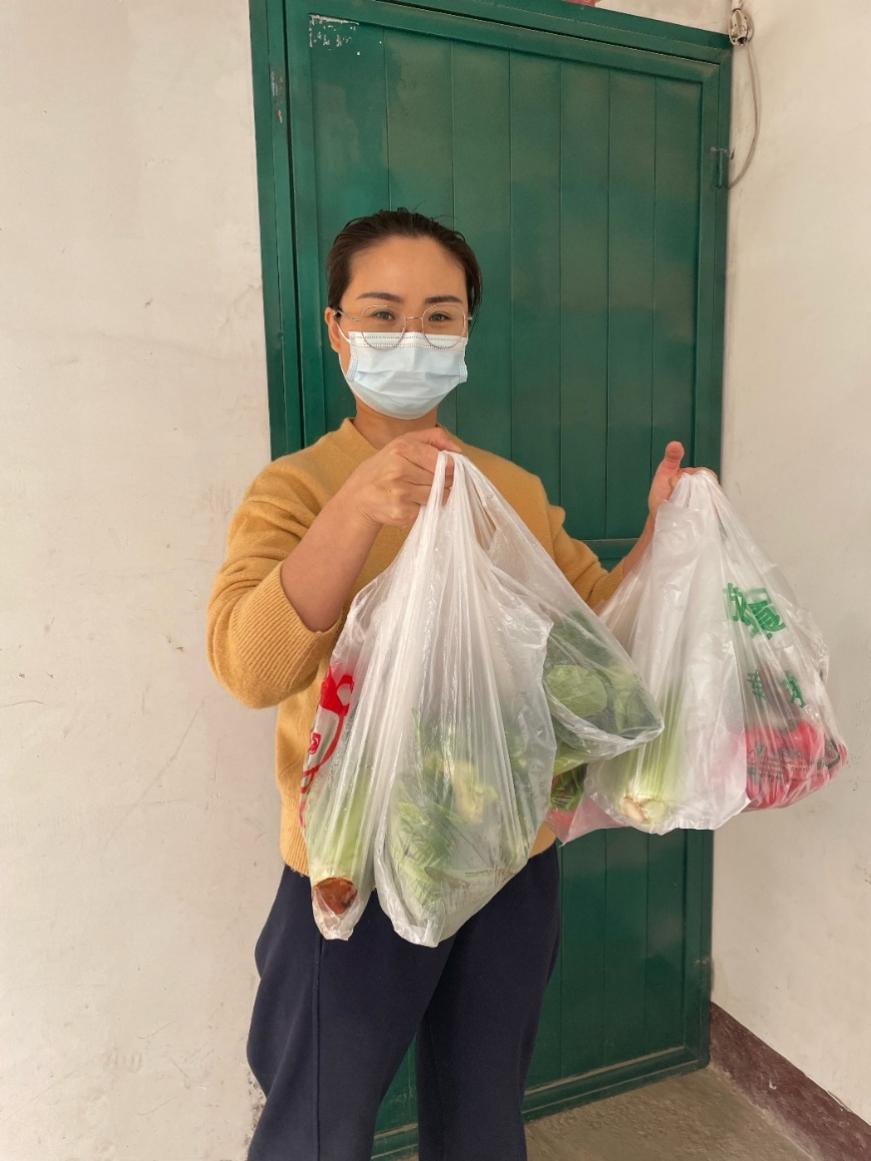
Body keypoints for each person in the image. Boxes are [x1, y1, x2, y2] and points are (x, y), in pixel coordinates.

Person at [206, 208, 710, 1161]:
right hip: (353, 870)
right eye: (382, 313)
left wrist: (663, 533)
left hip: (507, 861)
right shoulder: (299, 489)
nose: (413, 337)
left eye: (440, 315)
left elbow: (599, 634)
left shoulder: (509, 490)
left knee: (482, 1117)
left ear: (467, 331)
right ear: (336, 329)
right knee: (314, 1127)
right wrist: (358, 507)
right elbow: (249, 664)